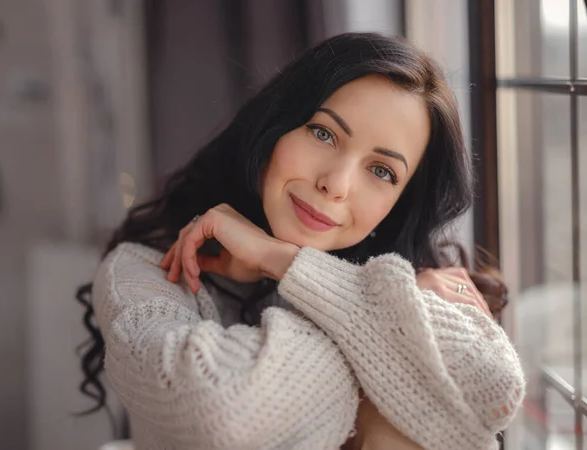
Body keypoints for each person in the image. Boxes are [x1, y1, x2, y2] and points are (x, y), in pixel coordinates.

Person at [77, 33, 525, 450]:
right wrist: (392, 324)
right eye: (323, 133)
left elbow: (496, 392)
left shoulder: (416, 280)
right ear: (276, 126)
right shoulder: (139, 272)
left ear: (399, 203)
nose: (336, 184)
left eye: (382, 171)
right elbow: (221, 411)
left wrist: (285, 261)